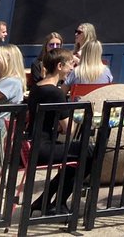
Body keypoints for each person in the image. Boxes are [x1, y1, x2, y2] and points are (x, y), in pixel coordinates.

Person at [27, 47, 91, 214]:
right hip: (43, 148)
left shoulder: (37, 87)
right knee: (89, 150)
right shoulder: (55, 93)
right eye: (70, 64)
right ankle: (59, 203)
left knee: (79, 152)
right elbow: (68, 129)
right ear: (60, 66)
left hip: (31, 145)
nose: (72, 68)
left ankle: (45, 200)